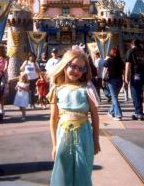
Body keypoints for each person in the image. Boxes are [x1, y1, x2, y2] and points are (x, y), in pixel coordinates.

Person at [47, 48, 101, 186]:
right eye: (73, 66)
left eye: (81, 68)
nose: (77, 71)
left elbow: (95, 117)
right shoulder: (56, 89)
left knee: (83, 170)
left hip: (84, 135)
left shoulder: (87, 88)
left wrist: (96, 141)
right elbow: (53, 119)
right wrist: (54, 145)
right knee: (62, 171)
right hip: (63, 135)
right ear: (65, 65)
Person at [125, 39, 144, 120]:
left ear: (132, 44)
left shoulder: (130, 51)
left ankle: (138, 113)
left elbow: (128, 64)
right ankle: (143, 111)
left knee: (136, 93)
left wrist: (126, 77)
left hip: (136, 74)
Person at [103, 47, 125, 120]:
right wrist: (125, 80)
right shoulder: (121, 61)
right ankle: (111, 111)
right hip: (120, 80)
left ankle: (118, 115)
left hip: (112, 80)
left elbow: (105, 70)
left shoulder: (109, 60)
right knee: (115, 97)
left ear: (111, 53)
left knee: (114, 97)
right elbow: (123, 71)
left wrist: (103, 79)